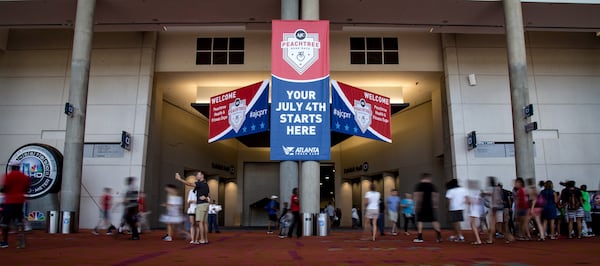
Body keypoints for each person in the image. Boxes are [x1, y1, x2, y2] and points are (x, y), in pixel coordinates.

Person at [0, 160, 31, 248]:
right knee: (19, 221)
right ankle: (21, 242)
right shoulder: (25, 177)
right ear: (19, 167)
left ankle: (4, 242)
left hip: (9, 201)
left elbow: (5, 188)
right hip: (20, 201)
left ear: (11, 167)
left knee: (5, 222)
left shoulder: (9, 176)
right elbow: (26, 189)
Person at [175, 171, 209, 244]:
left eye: (198, 174)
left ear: (202, 175)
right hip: (205, 205)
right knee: (204, 223)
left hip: (201, 205)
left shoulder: (200, 183)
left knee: (200, 222)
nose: (196, 176)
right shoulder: (206, 184)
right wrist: (206, 197)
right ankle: (205, 239)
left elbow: (189, 184)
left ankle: (202, 239)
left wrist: (180, 179)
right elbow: (207, 195)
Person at [413, 173, 442, 243]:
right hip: (430, 206)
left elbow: (417, 196)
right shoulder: (432, 186)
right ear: (429, 178)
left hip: (421, 206)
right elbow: (435, 196)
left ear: (422, 178)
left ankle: (420, 237)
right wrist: (435, 205)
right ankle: (439, 236)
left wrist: (416, 206)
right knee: (434, 220)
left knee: (420, 220)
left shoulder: (419, 186)